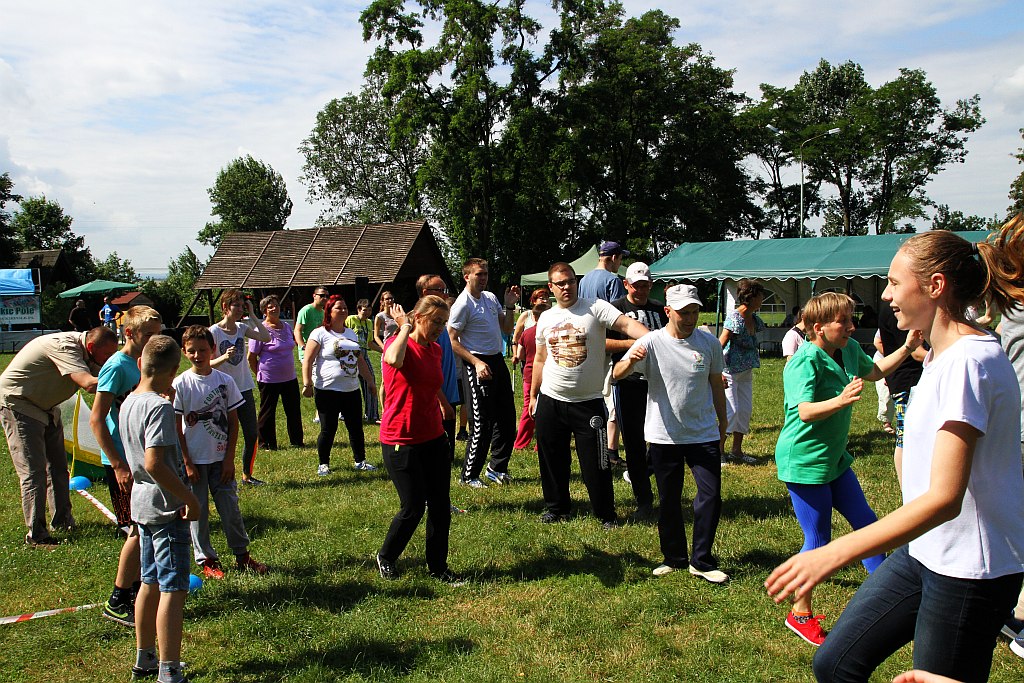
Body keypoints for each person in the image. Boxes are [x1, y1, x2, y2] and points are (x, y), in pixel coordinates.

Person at [766, 227, 1024, 682]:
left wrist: (833, 552)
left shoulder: (968, 362)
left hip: (968, 569)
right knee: (835, 663)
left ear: (935, 287)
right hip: (925, 550)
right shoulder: (941, 356)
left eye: (893, 283)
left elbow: (945, 498)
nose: (885, 296)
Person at [772, 292, 919, 647]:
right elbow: (804, 411)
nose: (852, 326)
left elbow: (876, 371)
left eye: (852, 319)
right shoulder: (804, 362)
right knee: (819, 540)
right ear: (819, 327)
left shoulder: (849, 348)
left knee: (868, 526)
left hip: (835, 459)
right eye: (845, 321)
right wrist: (839, 400)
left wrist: (909, 346)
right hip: (805, 462)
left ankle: (886, 601)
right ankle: (799, 612)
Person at [612, 284, 729, 583]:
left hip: (702, 433)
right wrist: (630, 358)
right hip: (664, 435)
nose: (690, 318)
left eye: (694, 312)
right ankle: (674, 557)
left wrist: (723, 424)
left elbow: (717, 385)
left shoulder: (709, 343)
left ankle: (701, 560)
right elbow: (616, 375)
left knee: (710, 495)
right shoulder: (651, 342)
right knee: (669, 499)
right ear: (667, 312)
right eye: (683, 313)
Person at [529, 262, 648, 527]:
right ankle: (557, 508)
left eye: (570, 281)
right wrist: (534, 395)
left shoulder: (595, 307)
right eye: (560, 283)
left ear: (576, 282)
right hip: (551, 399)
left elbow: (628, 325)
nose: (566, 287)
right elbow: (539, 359)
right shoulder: (546, 318)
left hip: (588, 403)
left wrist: (655, 340)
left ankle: (606, 514)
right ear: (551, 288)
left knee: (598, 463)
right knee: (552, 459)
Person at [119, 335, 200, 683]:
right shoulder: (160, 408)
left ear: (141, 364)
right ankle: (169, 670)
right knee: (174, 588)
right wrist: (190, 498)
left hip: (141, 504)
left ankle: (145, 657)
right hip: (166, 508)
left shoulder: (128, 402)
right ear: (174, 370)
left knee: (149, 581)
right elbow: (155, 463)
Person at [0, 325, 118, 545]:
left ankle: (62, 521)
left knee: (58, 467)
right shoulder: (66, 347)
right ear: (91, 347)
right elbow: (87, 383)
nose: (110, 359)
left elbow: (102, 372)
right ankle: (36, 535)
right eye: (108, 355)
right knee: (33, 472)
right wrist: (124, 377)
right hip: (19, 403)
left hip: (46, 406)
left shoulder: (91, 351)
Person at [375, 296, 460, 583]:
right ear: (419, 318)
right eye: (435, 321)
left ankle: (438, 567)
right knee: (412, 507)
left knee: (440, 506)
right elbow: (393, 360)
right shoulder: (398, 344)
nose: (439, 328)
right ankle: (386, 557)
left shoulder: (435, 350)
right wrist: (402, 328)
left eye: (443, 323)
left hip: (433, 436)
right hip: (401, 438)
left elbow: (427, 380)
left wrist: (443, 403)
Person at [89, 306, 164, 628]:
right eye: (148, 336)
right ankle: (118, 598)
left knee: (143, 527)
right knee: (136, 529)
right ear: (129, 333)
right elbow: (96, 419)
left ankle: (137, 589)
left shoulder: (143, 364)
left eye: (157, 335)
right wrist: (117, 464)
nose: (153, 341)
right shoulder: (117, 367)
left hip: (141, 460)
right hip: (123, 463)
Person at [173, 325, 268, 579]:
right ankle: (207, 558)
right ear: (184, 352)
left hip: (220, 460)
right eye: (191, 351)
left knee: (230, 509)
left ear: (213, 349)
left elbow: (233, 421)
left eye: (202, 350)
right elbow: (176, 427)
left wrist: (229, 459)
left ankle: (242, 556)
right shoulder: (180, 384)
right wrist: (187, 462)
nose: (197, 355)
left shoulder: (225, 382)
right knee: (198, 511)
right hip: (193, 462)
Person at [448, 258, 520, 487]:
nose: (484, 278)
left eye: (486, 274)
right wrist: (476, 363)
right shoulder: (462, 304)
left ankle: (496, 468)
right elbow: (451, 340)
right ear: (466, 276)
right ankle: (469, 476)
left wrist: (509, 306)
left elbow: (507, 328)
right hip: (476, 363)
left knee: (507, 420)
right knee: (482, 424)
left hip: (497, 361)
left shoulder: (489, 298)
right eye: (479, 274)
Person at [608, 262, 667, 521]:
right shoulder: (616, 310)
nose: (641, 290)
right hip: (627, 382)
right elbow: (603, 342)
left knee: (661, 438)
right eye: (636, 285)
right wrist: (633, 343)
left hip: (657, 382)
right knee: (632, 442)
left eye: (645, 285)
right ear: (626, 284)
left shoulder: (659, 310)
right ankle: (644, 500)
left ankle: (648, 477)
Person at [303, 295, 377, 475]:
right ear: (329, 311)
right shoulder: (320, 333)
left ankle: (360, 461)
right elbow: (308, 360)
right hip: (327, 389)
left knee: (356, 428)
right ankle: (323, 464)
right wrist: (307, 383)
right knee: (328, 429)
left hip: (351, 389)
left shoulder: (350, 334)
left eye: (345, 307)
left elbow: (360, 360)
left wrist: (370, 381)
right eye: (338, 308)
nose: (343, 311)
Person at [208, 290, 270, 486]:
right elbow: (205, 364)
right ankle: (224, 474)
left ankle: (247, 475)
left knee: (251, 434)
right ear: (225, 307)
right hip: (222, 391)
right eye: (237, 305)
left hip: (243, 388)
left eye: (243, 305)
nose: (240, 309)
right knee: (223, 436)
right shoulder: (213, 332)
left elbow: (266, 337)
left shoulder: (242, 328)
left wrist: (253, 315)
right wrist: (224, 357)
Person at [577, 241, 629, 468]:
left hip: (587, 344)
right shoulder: (613, 281)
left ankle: (594, 443)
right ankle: (611, 451)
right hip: (609, 345)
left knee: (593, 396)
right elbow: (618, 318)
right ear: (613, 258)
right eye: (621, 259)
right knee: (613, 400)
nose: (621, 263)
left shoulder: (585, 279)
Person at [718, 278, 766, 464]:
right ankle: (719, 451)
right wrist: (718, 370)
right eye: (761, 296)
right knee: (731, 411)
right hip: (729, 371)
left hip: (746, 371)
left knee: (744, 411)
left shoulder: (754, 319)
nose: (763, 300)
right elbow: (720, 344)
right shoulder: (735, 318)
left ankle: (737, 451)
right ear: (752, 297)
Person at [877, 301, 926, 481]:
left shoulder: (895, 307)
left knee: (907, 437)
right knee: (905, 439)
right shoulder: (900, 309)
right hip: (906, 382)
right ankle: (908, 489)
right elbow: (917, 352)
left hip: (903, 380)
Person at [247, 295, 303, 451]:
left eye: (276, 305)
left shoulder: (286, 326)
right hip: (268, 378)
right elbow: (251, 357)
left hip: (289, 377)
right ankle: (266, 444)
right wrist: (259, 373)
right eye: (270, 306)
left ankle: (297, 441)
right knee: (267, 412)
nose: (274, 308)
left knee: (293, 410)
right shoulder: (259, 330)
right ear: (264, 311)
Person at [513, 289, 551, 451]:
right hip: (549, 374)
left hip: (529, 374)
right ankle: (540, 444)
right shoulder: (552, 333)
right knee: (546, 409)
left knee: (529, 407)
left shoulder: (527, 333)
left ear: (534, 317)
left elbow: (520, 355)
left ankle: (521, 442)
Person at [345, 298, 381, 424]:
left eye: (369, 310)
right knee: (348, 383)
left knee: (370, 381)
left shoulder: (370, 323)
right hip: (351, 354)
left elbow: (370, 343)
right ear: (359, 309)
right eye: (365, 310)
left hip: (364, 354)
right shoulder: (350, 319)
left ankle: (372, 415)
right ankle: (344, 414)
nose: (367, 313)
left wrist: (383, 350)